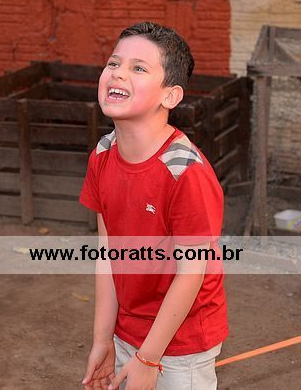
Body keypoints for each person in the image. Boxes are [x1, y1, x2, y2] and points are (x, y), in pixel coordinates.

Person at [80, 21, 228, 390]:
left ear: (170, 96)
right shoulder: (102, 155)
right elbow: (108, 253)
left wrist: (149, 357)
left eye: (139, 68)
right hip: (127, 330)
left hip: (181, 342)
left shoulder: (186, 172)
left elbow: (191, 272)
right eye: (114, 63)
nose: (119, 73)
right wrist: (103, 340)